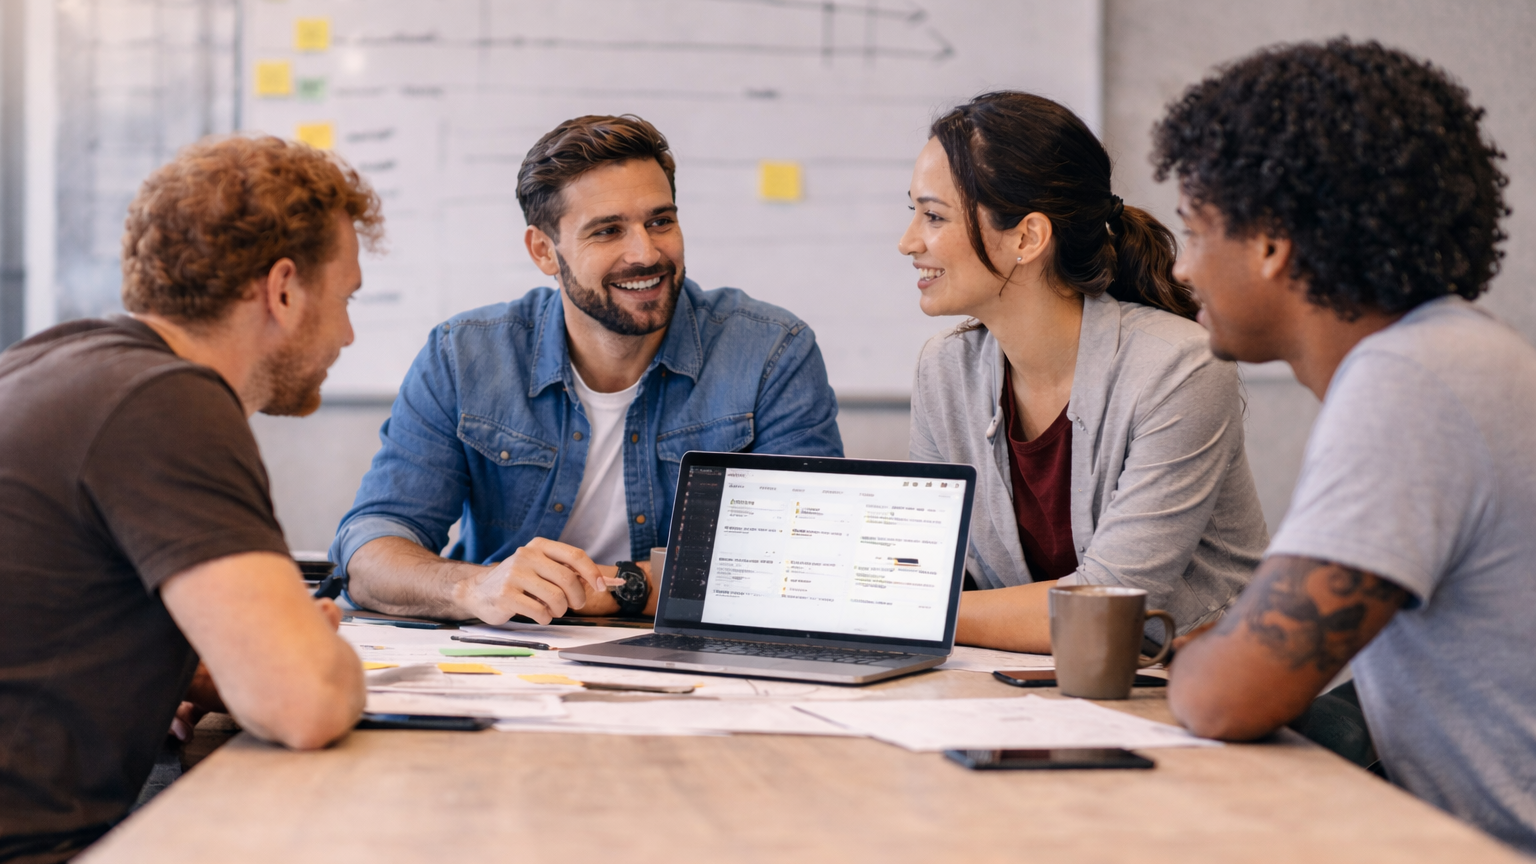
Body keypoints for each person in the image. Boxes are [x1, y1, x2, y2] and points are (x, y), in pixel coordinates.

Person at [1157, 39, 1535, 853]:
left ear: (1270, 242)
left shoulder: (1412, 381)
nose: (1182, 269)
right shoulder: (1453, 354)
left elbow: (1228, 699)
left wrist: (1197, 663)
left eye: (1191, 231)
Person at [0, 136, 374, 863]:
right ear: (285, 289)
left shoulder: (53, 360)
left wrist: (185, 666)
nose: (349, 334)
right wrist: (318, 654)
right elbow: (303, 704)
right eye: (347, 298)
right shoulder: (167, 402)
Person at [332, 114, 842, 626]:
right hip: (505, 659)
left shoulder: (771, 352)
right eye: (608, 230)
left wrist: (613, 589)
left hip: (695, 660)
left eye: (660, 221)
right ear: (543, 251)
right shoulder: (463, 357)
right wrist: (472, 587)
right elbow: (371, 550)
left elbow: (800, 560)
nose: (645, 253)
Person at [900, 92, 1269, 653]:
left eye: (933, 216)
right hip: (1024, 683)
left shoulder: (1179, 367)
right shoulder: (944, 370)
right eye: (914, 213)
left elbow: (1108, 604)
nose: (908, 243)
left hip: (1185, 684)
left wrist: (910, 612)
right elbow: (930, 570)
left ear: (1027, 237)